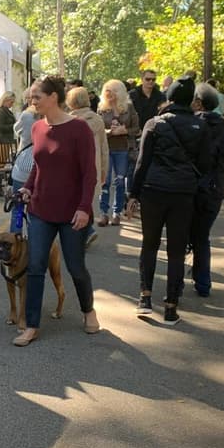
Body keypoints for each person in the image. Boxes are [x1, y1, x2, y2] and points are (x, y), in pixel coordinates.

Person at [12, 75, 100, 345]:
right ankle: (32, 325)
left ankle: (88, 310)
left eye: (37, 96)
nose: (32, 101)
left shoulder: (79, 129)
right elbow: (38, 166)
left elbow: (89, 173)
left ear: (53, 97)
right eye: (31, 97)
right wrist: (27, 188)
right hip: (40, 209)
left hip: (73, 213)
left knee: (75, 267)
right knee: (35, 266)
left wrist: (85, 208)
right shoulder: (38, 128)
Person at [126, 77, 209, 326]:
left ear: (169, 97)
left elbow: (142, 163)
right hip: (183, 193)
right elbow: (205, 164)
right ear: (191, 100)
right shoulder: (200, 126)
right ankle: (171, 306)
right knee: (176, 250)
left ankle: (145, 298)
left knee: (149, 244)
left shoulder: (154, 124)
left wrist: (134, 194)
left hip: (153, 190)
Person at [189, 83, 224, 298]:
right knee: (202, 237)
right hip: (215, 187)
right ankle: (203, 283)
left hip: (193, 187)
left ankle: (176, 284)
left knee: (183, 235)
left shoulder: (194, 126)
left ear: (198, 103)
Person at [67, 85, 107, 251]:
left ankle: (85, 232)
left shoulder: (67, 121)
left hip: (71, 169)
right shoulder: (97, 120)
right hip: (93, 167)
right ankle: (86, 231)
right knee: (86, 200)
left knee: (73, 201)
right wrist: (104, 171)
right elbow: (104, 149)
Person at [97, 79, 139, 226]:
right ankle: (103, 213)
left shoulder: (129, 107)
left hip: (122, 149)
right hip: (106, 148)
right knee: (105, 182)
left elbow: (137, 129)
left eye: (113, 90)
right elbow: (98, 130)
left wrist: (124, 130)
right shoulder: (101, 108)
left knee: (120, 182)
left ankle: (117, 213)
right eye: (107, 90)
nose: (109, 94)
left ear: (120, 92)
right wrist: (108, 132)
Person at [15, 84, 40, 150]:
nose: (29, 100)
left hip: (27, 148)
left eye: (30, 97)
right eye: (27, 98)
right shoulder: (25, 108)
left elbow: (17, 128)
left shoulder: (27, 113)